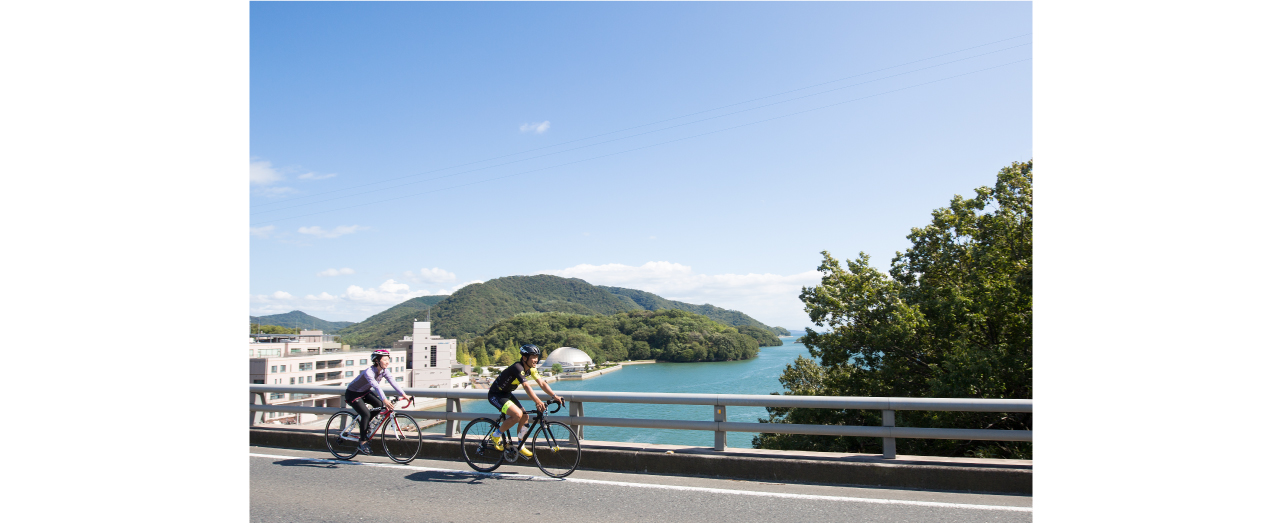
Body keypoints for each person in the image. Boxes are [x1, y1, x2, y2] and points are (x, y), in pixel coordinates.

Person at [487, 344, 564, 457]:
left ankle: (520, 445)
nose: (536, 360)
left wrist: (554, 396)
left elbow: (542, 383)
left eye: (537, 357)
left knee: (525, 416)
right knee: (517, 414)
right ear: (524, 358)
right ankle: (496, 435)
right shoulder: (518, 368)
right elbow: (527, 386)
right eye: (533, 357)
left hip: (506, 394)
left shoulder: (531, 369)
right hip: (496, 394)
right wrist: (538, 401)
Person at [344, 349, 407, 455]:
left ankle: (366, 423)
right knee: (366, 414)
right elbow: (376, 386)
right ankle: (362, 442)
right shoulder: (369, 372)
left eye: (388, 359)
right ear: (377, 361)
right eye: (385, 360)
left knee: (379, 405)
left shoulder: (384, 371)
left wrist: (405, 395)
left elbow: (393, 382)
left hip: (364, 392)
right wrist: (385, 399)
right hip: (353, 393)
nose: (387, 362)